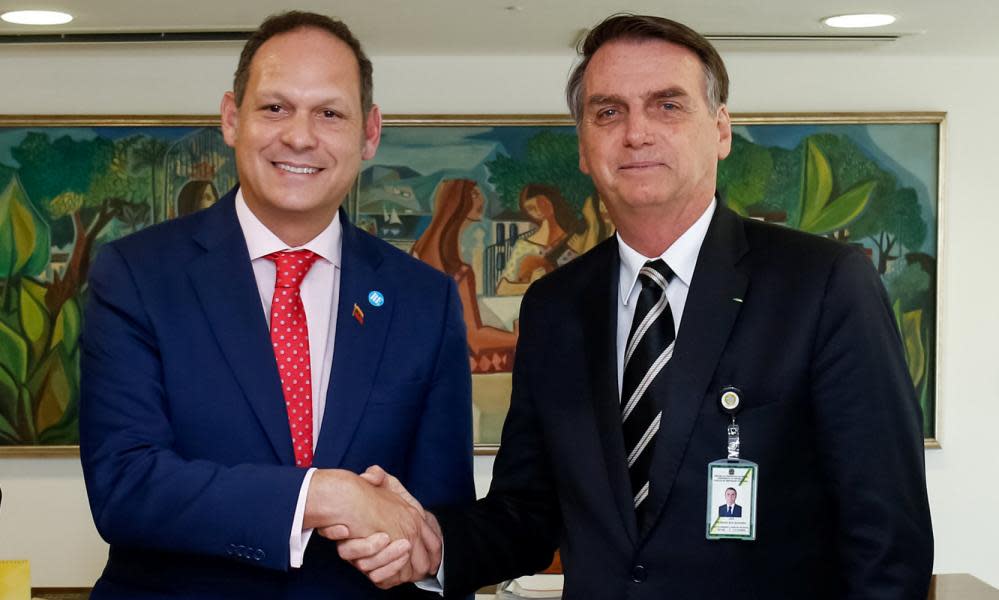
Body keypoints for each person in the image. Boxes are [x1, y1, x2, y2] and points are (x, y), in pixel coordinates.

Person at [338, 13, 933, 599]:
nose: (636, 132)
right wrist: (433, 542)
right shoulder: (554, 307)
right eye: (608, 112)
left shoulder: (823, 284)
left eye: (668, 105)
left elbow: (886, 536)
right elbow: (529, 511)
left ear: (721, 130)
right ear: (583, 146)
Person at [78, 11, 473, 599]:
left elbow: (436, 515)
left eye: (330, 113)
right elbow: (126, 485)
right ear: (232, 118)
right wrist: (324, 495)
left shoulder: (425, 299)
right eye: (275, 108)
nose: (300, 137)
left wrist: (424, 553)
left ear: (369, 133)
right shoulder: (135, 275)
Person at [411, 179, 518, 361]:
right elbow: (474, 339)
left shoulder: (418, 251)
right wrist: (516, 338)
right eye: (474, 194)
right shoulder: (458, 271)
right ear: (456, 202)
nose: (482, 199)